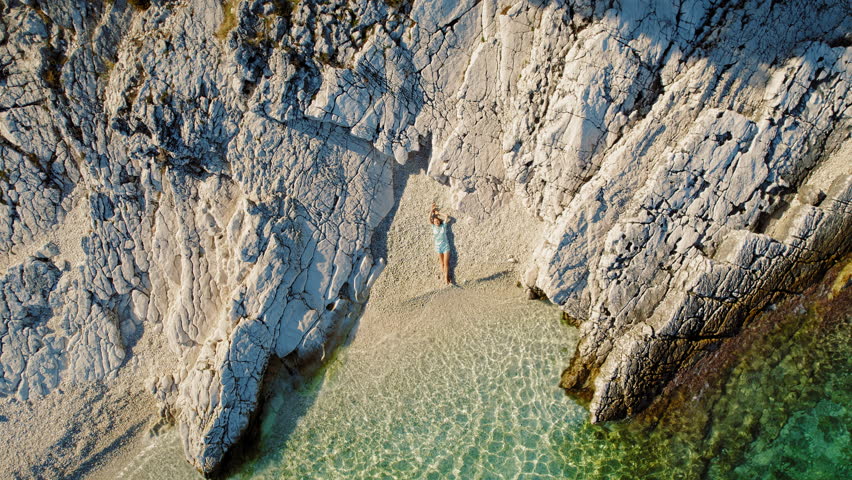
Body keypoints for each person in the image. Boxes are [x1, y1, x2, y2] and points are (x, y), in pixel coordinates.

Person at [429, 203, 452, 285]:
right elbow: (429, 218)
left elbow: (446, 216)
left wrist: (438, 214)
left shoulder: (443, 226)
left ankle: (445, 279)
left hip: (445, 246)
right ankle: (446, 276)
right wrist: (432, 211)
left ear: (439, 221)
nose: (437, 222)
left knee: (446, 263)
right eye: (435, 221)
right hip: (438, 247)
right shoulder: (433, 227)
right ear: (434, 223)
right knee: (441, 263)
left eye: (438, 221)